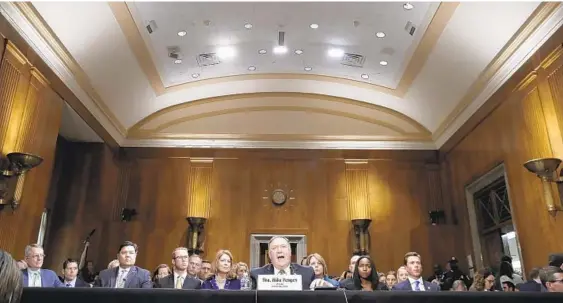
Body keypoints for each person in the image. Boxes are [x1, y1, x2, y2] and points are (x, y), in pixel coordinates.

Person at [250, 236, 314, 290]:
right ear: (269, 255)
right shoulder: (256, 275)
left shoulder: (307, 272)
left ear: (290, 252)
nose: (279, 251)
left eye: (283, 246)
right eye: (274, 248)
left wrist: (319, 284)